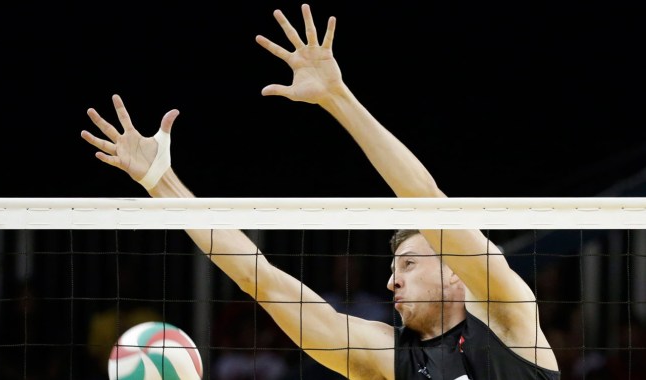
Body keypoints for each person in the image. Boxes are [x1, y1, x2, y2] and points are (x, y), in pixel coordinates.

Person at [81, 4, 560, 379]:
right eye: (394, 269)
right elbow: (260, 279)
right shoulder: (390, 360)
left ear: (456, 273)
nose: (392, 281)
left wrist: (338, 98)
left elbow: (426, 198)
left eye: (409, 264)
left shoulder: (508, 317)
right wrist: (159, 182)